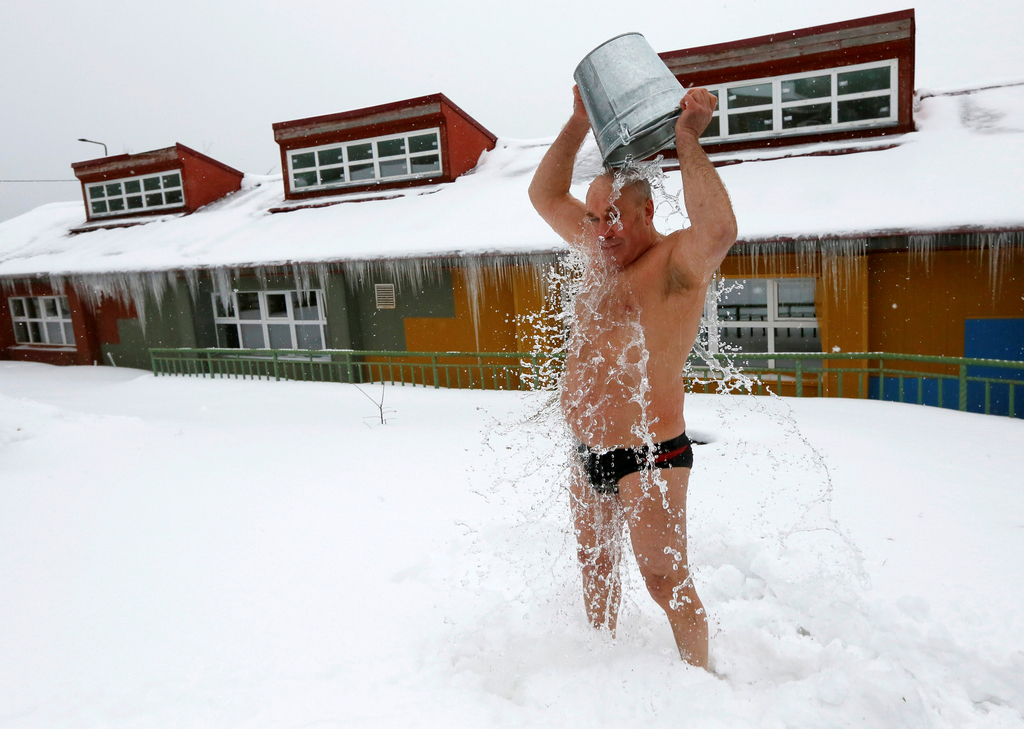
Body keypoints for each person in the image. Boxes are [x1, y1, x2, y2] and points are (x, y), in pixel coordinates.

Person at [528, 86, 737, 668]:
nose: (600, 229)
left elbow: (718, 229)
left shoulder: (675, 264)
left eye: (614, 216)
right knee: (595, 570)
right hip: (586, 450)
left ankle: (706, 683)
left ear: (647, 212)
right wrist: (576, 122)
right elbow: (544, 193)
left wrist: (686, 138)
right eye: (593, 216)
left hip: (650, 456)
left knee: (664, 579)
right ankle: (604, 671)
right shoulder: (596, 247)